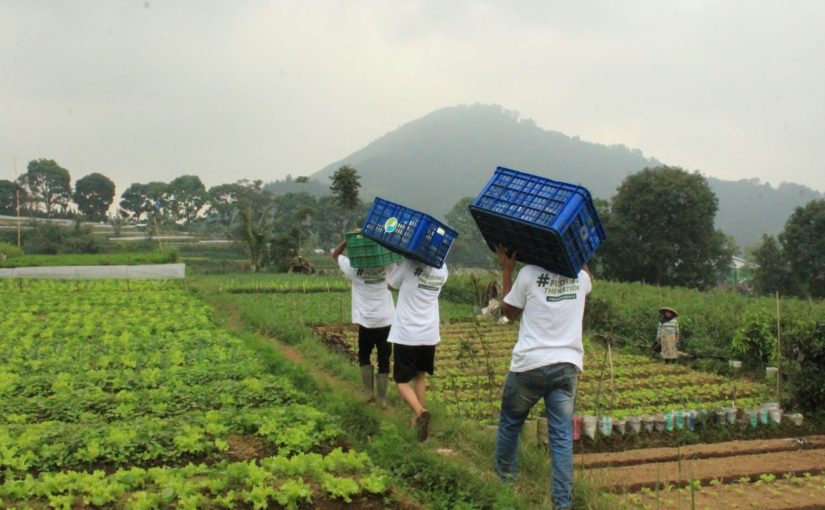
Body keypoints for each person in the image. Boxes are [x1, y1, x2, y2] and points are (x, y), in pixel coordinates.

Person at [494, 245, 592, 510]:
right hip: (566, 365)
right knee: (561, 437)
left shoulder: (528, 274)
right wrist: (580, 254)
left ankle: (506, 487)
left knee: (511, 423)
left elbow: (508, 312)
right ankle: (562, 504)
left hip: (530, 365)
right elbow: (588, 277)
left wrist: (506, 270)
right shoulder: (581, 278)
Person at [386, 257, 448, 441]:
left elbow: (390, 285)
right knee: (420, 377)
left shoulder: (408, 265)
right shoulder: (442, 268)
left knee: (401, 381)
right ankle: (416, 423)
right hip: (429, 334)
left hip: (407, 334)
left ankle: (420, 412)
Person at [332, 239, 397, 405]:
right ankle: (382, 399)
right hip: (386, 320)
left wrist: (348, 240)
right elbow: (396, 269)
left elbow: (335, 254)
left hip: (365, 321)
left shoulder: (354, 268)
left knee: (364, 355)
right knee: (384, 359)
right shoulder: (387, 266)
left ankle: (368, 393)